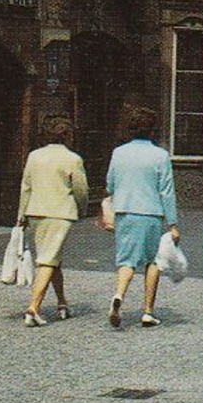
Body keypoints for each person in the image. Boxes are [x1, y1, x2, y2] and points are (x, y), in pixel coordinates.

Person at [104, 105, 180, 328]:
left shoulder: (119, 153)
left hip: (125, 212)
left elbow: (110, 183)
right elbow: (166, 191)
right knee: (153, 261)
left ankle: (118, 294)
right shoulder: (160, 155)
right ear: (152, 130)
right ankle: (148, 311)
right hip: (151, 213)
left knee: (126, 260)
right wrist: (173, 223)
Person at [16, 115, 89, 326]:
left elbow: (26, 187)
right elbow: (81, 190)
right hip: (60, 214)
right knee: (48, 260)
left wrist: (21, 215)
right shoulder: (73, 159)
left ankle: (62, 303)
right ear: (68, 135)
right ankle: (33, 308)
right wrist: (82, 209)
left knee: (51, 257)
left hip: (36, 212)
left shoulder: (34, 156)